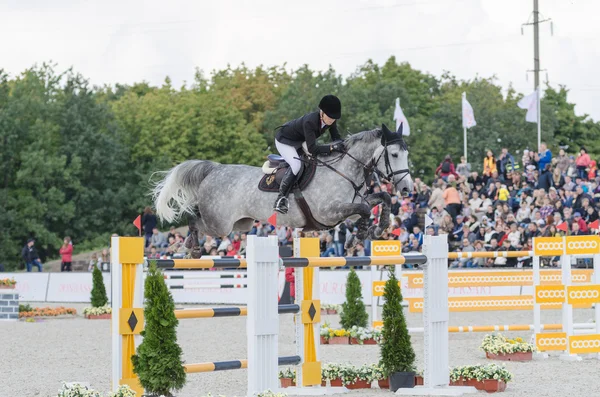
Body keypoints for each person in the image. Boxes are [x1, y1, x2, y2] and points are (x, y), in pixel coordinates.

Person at [273, 95, 345, 214]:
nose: (332, 120)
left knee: (317, 160)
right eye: (330, 117)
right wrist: (332, 147)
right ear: (322, 112)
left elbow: (336, 137)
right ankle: (281, 198)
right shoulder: (310, 121)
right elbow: (312, 148)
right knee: (296, 165)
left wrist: (344, 145)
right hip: (285, 140)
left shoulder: (331, 120)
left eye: (334, 118)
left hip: (301, 140)